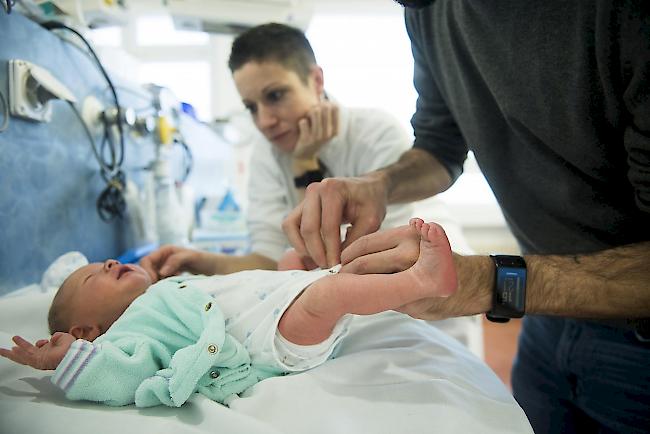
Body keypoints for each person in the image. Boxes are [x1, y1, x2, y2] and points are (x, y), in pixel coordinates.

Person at [281, 1, 650, 433]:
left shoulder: (626, 18)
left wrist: (487, 283)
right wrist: (379, 184)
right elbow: (440, 145)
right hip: (543, 319)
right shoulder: (427, 9)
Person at [0, 218, 457, 408]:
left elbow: (234, 288)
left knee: (339, 272)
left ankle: (406, 258)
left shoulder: (166, 292)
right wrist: (65, 359)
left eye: (106, 262)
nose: (109, 262)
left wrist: (283, 275)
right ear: (87, 329)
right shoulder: (128, 334)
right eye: (93, 277)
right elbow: (120, 375)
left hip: (268, 309)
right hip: (263, 344)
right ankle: (421, 283)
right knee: (331, 293)